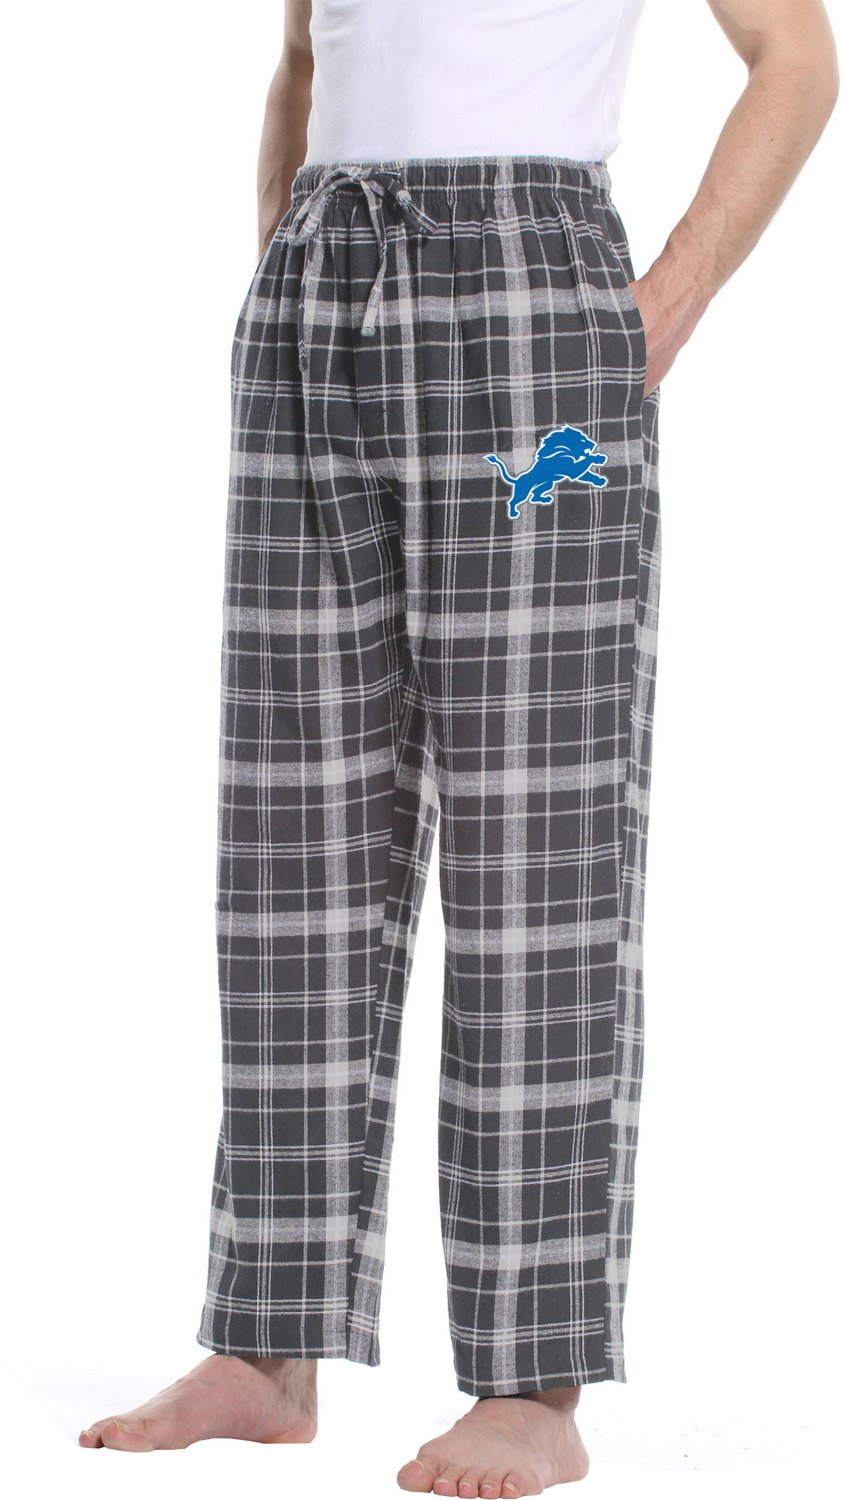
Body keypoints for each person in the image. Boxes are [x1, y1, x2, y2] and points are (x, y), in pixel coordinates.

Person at [79, 1, 838, 1493]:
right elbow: (305, 57)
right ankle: (266, 1345)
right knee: (294, 835)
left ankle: (532, 1380)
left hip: (531, 317)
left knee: (534, 839)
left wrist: (663, 300)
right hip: (319, 292)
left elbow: (797, 58)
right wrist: (282, 265)